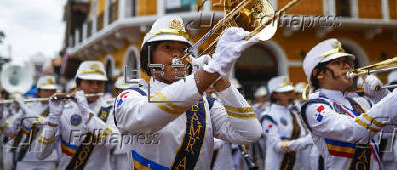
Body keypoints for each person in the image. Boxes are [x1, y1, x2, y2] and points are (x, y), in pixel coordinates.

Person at [114, 16, 262, 169]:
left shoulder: (207, 105)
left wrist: (219, 77)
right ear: (149, 56)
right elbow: (147, 116)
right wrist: (206, 75)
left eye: (183, 49)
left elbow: (250, 133)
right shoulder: (131, 96)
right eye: (167, 47)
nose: (178, 55)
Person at [301, 38, 397, 170]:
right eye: (337, 63)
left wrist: (383, 95)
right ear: (319, 74)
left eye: (346, 62)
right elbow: (355, 131)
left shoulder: (361, 102)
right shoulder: (314, 108)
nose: (347, 66)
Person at [36, 61, 118, 169]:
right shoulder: (64, 110)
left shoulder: (111, 109)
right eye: (89, 82)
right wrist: (53, 119)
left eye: (100, 83)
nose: (95, 87)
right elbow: (41, 154)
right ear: (78, 85)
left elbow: (113, 142)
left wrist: (86, 113)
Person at [261, 76, 313, 169]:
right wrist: (305, 141)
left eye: (290, 92)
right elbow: (277, 146)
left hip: (296, 164)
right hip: (279, 165)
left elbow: (302, 134)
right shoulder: (268, 116)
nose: (290, 95)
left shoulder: (293, 111)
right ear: (275, 95)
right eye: (285, 93)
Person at [13, 75, 59, 170]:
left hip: (47, 158)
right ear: (38, 92)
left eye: (52, 91)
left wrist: (22, 105)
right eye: (46, 91)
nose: (50, 94)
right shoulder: (30, 105)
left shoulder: (58, 109)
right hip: (26, 156)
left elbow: (41, 122)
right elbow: (13, 128)